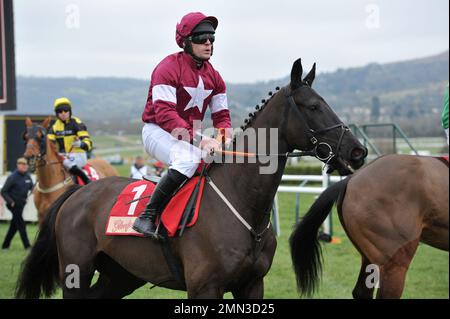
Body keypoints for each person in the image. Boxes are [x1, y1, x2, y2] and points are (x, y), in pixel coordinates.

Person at [133, 12, 232, 237]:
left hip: (187, 136)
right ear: (186, 41)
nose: (208, 42)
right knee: (188, 159)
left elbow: (222, 117)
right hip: (157, 131)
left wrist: (221, 139)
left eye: (212, 37)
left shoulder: (215, 78)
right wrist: (201, 139)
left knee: (220, 162)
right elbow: (165, 115)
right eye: (201, 37)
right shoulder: (166, 68)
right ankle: (147, 215)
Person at [48, 97, 93, 185]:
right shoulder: (54, 127)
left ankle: (86, 180)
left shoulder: (77, 123)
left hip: (78, 155)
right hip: (62, 156)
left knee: (66, 162)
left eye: (65, 110)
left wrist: (80, 144)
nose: (63, 113)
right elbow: (49, 144)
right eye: (60, 111)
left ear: (70, 111)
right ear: (57, 114)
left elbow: (89, 144)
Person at [1, 158, 33, 250]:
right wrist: (11, 202)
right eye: (22, 165)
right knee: (21, 224)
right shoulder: (12, 177)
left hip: (22, 204)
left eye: (25, 165)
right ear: (18, 166)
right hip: (13, 205)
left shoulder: (27, 176)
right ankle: (27, 246)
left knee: (14, 226)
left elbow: (32, 187)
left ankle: (5, 245)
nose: (24, 166)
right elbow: (3, 191)